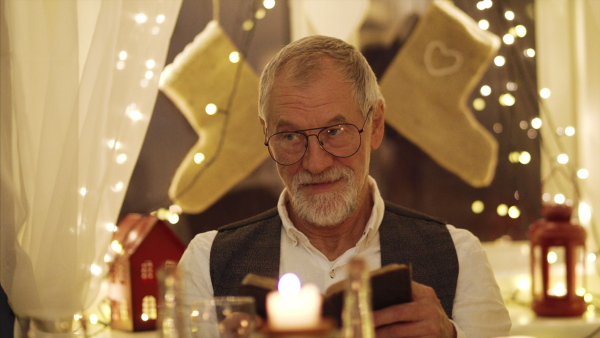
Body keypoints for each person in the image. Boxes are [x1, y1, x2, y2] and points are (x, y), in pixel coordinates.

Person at [178, 35, 511, 337]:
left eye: (336, 132)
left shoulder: (458, 257)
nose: (315, 164)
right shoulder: (207, 263)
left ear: (375, 125)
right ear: (266, 134)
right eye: (291, 136)